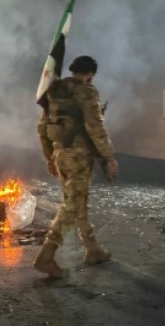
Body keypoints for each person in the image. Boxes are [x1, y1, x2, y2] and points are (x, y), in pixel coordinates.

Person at [33, 55, 119, 277]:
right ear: (90, 73)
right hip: (79, 156)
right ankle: (46, 255)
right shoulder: (87, 92)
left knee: (78, 202)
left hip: (61, 154)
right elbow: (95, 127)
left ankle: (92, 249)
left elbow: (42, 127)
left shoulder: (54, 91)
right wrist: (109, 157)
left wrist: (50, 157)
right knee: (72, 206)